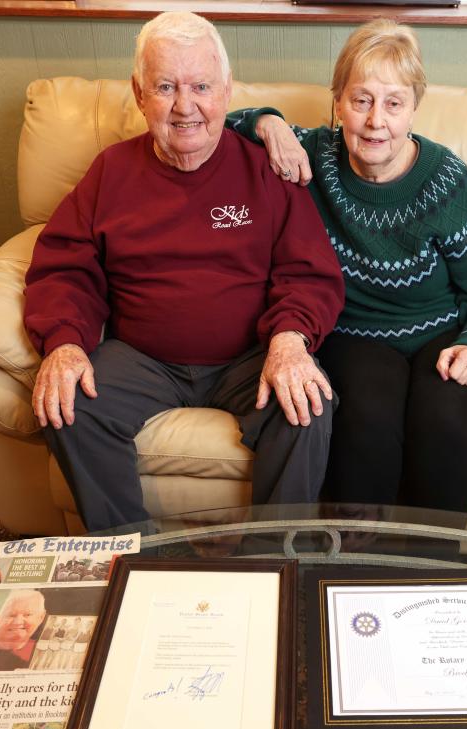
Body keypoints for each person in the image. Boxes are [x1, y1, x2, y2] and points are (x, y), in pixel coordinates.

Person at [23, 12, 344, 531]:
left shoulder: (268, 168)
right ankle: (133, 556)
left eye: (200, 86)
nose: (184, 106)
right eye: (166, 87)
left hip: (250, 358)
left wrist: (290, 342)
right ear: (139, 92)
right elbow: (64, 267)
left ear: (226, 91)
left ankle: (269, 564)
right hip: (142, 358)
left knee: (306, 407)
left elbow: (308, 272)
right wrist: (64, 342)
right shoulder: (111, 171)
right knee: (67, 405)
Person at [227, 19, 467, 512]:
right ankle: (361, 566)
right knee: (366, 424)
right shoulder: (315, 154)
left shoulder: (446, 179)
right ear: (338, 103)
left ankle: (432, 569)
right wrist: (268, 122)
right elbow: (218, 124)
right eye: (361, 100)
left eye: (393, 103)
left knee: (441, 424)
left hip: (447, 334)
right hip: (357, 339)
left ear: (414, 109)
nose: (376, 120)